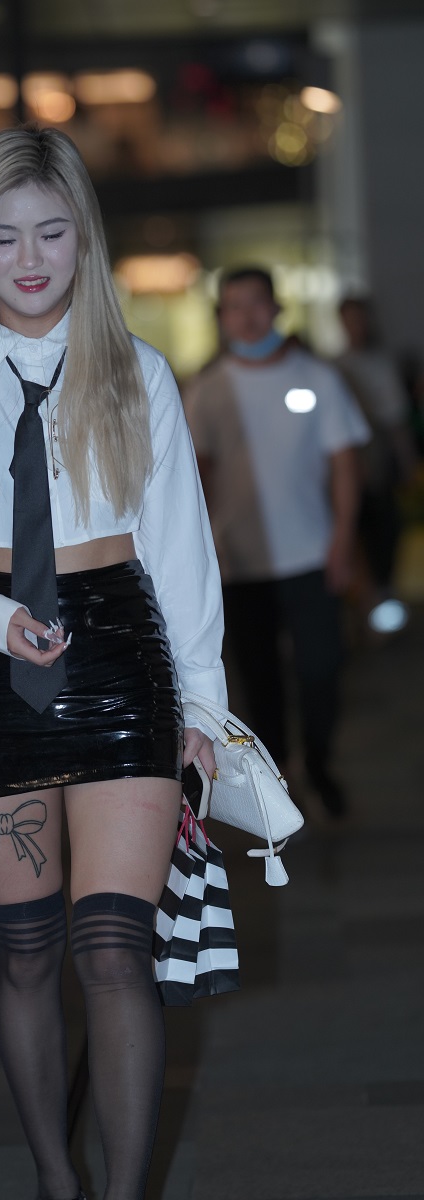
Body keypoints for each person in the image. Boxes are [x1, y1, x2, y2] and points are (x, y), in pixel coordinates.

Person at [0, 126, 226, 1200]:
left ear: (86, 239)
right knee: (23, 950)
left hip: (121, 659)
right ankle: (54, 1179)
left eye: (51, 233)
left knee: (113, 950)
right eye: (2, 237)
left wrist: (204, 710)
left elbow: (181, 551)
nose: (28, 259)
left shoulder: (138, 371)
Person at [184, 266, 370, 818]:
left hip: (311, 554)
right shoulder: (207, 390)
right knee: (259, 679)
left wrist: (343, 540)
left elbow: (345, 464)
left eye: (256, 303)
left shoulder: (317, 378)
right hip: (240, 563)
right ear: (222, 317)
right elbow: (193, 478)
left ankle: (320, 762)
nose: (246, 316)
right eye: (234, 306)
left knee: (321, 669)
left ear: (277, 308)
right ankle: (279, 775)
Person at [336, 295, 418, 632]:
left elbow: (397, 421)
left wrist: (407, 463)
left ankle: (382, 605)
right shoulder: (335, 365)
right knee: (357, 536)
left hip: (377, 459)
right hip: (346, 463)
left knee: (384, 533)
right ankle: (364, 609)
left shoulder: (381, 362)